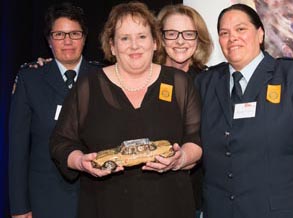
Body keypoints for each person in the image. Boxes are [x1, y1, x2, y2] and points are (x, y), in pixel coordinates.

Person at [49, 2, 202, 218]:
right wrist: (80, 162)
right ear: (112, 46)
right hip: (104, 206)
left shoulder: (180, 83)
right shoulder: (87, 87)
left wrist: (180, 159)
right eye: (124, 38)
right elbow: (60, 142)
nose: (134, 45)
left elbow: (195, 140)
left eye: (142, 36)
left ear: (155, 42)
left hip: (170, 204)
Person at [195, 3, 293, 218]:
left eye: (241, 29)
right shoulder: (206, 83)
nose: (232, 37)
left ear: (260, 34)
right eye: (224, 33)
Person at [8, 3, 99, 218]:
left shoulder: (102, 77)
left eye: (74, 34)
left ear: (84, 38)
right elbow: (17, 150)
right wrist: (20, 207)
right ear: (49, 40)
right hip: (46, 199)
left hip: (96, 197)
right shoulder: (30, 80)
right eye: (59, 34)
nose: (67, 41)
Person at [156, 4, 213, 217]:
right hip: (150, 191)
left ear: (198, 39)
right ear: (160, 38)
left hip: (197, 195)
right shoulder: (144, 78)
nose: (180, 41)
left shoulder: (210, 81)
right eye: (171, 34)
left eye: (188, 34)